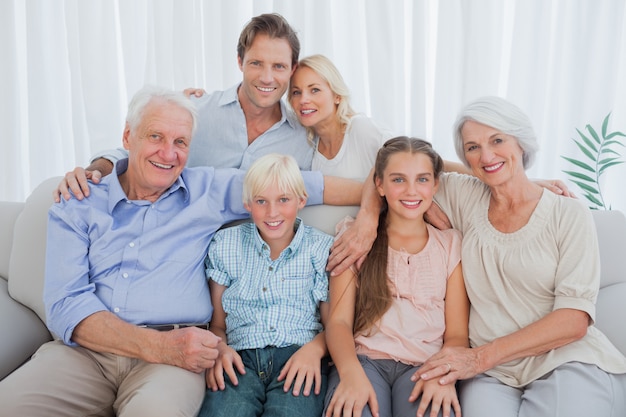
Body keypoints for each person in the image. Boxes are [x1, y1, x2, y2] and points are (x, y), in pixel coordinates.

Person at [0, 85, 362, 416]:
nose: (168, 153)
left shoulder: (206, 190)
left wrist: (376, 208)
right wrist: (159, 346)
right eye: (155, 136)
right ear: (128, 136)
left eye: (181, 142)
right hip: (83, 356)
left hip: (170, 365)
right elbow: (67, 306)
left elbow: (304, 187)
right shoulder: (77, 201)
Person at [412, 96, 626, 417]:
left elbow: (574, 319)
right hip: (492, 375)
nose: (486, 155)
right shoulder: (463, 195)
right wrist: (370, 219)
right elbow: (397, 161)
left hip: (564, 358)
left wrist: (479, 358)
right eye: (473, 147)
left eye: (498, 140)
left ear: (521, 143)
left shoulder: (568, 213)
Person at [54, 12, 310, 203]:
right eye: (256, 63)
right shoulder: (196, 110)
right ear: (240, 61)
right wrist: (93, 172)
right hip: (187, 251)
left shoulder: (305, 137)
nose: (267, 77)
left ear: (292, 69)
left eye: (278, 66)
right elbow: (137, 151)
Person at [323, 137, 469, 417]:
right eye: (398, 180)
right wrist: (350, 374)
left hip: (426, 366)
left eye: (422, 179)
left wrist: (443, 376)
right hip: (364, 361)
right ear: (379, 184)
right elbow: (338, 321)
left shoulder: (450, 244)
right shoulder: (354, 238)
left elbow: (457, 334)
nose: (411, 190)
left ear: (435, 185)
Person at [198, 153, 333, 417]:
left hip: (298, 358)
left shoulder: (320, 248)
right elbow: (217, 324)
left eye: (283, 199)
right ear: (248, 203)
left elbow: (334, 326)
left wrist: (315, 351)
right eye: (262, 201)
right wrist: (220, 350)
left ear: (301, 200)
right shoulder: (227, 244)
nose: (272, 212)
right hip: (239, 359)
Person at [288, 54, 394, 180]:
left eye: (315, 90)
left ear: (337, 96)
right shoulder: (308, 147)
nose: (303, 100)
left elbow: (409, 168)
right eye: (296, 92)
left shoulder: (363, 130)